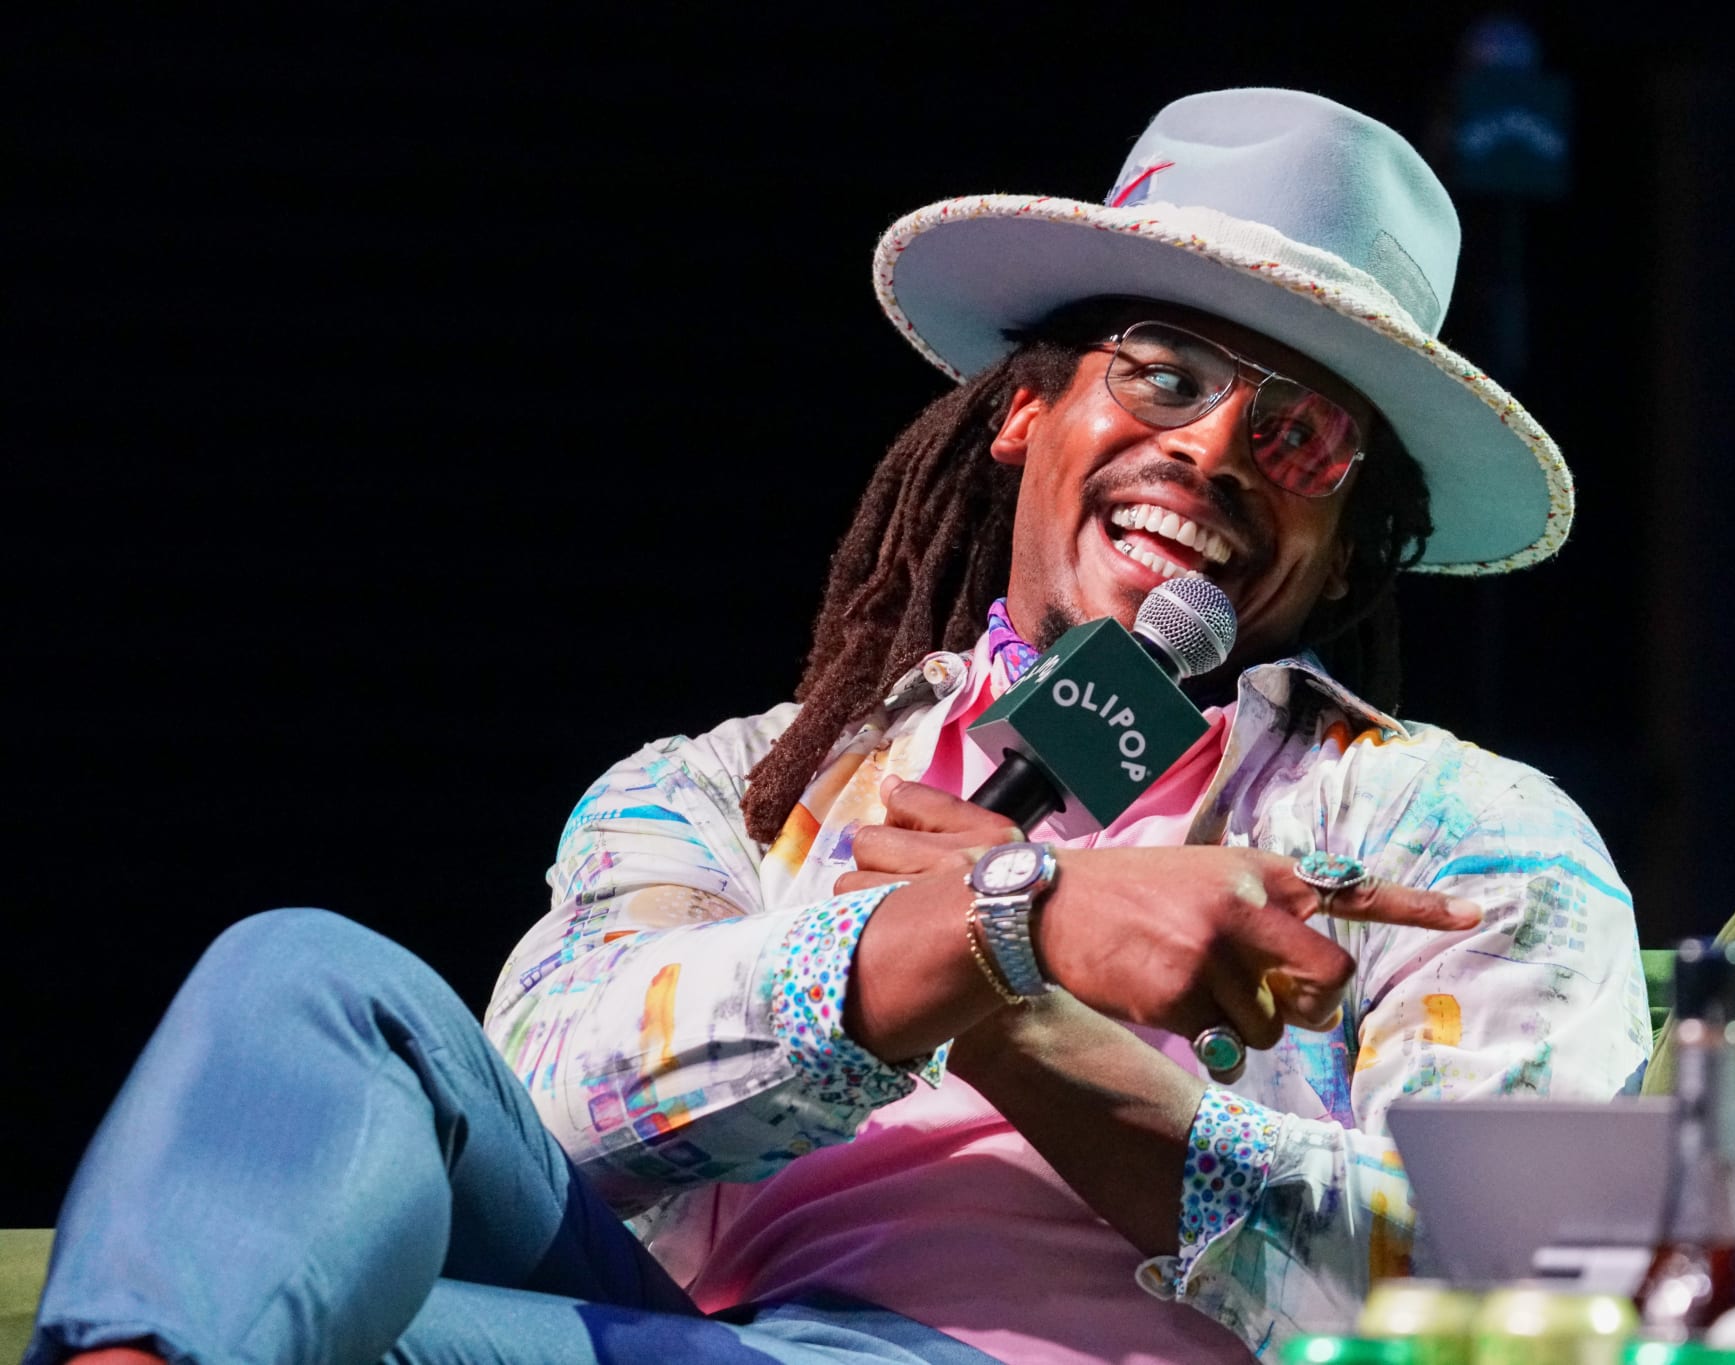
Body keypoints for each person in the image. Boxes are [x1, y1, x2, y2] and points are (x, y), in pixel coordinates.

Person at [31, 89, 1649, 1365]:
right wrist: (973, 935)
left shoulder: (1453, 833)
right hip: (699, 1338)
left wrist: (1025, 1014)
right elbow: (544, 1109)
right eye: (1160, 372)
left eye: (1300, 435)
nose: (1214, 451)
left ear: (1349, 536)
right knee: (313, 985)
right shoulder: (738, 788)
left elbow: (1522, 1307)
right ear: (1025, 409)